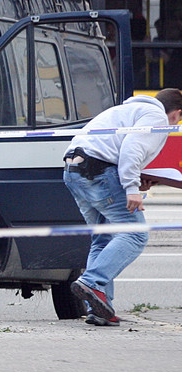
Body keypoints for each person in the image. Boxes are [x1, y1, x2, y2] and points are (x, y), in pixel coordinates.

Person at [63, 88, 182, 326]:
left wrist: (137, 180)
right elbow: (131, 150)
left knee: (103, 239)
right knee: (135, 234)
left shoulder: (126, 109)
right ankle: (92, 283)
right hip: (98, 171)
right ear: (176, 114)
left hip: (74, 172)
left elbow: (119, 149)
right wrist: (132, 189)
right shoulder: (157, 117)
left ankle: (99, 309)